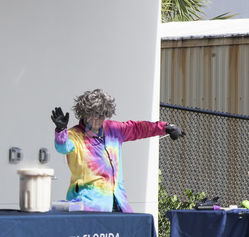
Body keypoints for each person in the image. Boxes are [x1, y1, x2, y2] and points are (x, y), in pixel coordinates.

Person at [51, 89, 185, 212]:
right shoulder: (75, 135)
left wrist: (166, 127)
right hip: (89, 205)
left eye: (103, 115)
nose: (99, 119)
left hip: (118, 202)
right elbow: (63, 147)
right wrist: (61, 130)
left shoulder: (113, 129)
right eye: (95, 114)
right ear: (85, 113)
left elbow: (137, 128)